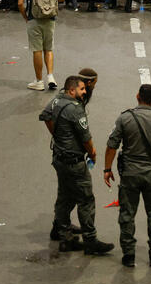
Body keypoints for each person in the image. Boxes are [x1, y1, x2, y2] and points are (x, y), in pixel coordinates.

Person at [102, 83, 151, 268]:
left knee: (127, 214)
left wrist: (107, 169)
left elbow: (112, 145)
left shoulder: (125, 118)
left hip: (130, 174)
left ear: (137, 96)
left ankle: (129, 255)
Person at [39, 75, 114, 255]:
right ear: (72, 90)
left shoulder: (57, 100)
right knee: (86, 199)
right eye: (82, 89)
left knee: (65, 196)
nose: (84, 92)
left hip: (59, 157)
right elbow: (86, 138)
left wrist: (57, 135)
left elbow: (45, 115)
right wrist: (93, 153)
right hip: (74, 161)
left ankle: (64, 235)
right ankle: (90, 240)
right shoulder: (75, 110)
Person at [18, 0, 64, 91]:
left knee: (37, 49)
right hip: (50, 18)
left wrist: (26, 16)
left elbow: (20, 3)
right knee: (48, 48)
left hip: (34, 18)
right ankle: (50, 76)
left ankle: (39, 81)